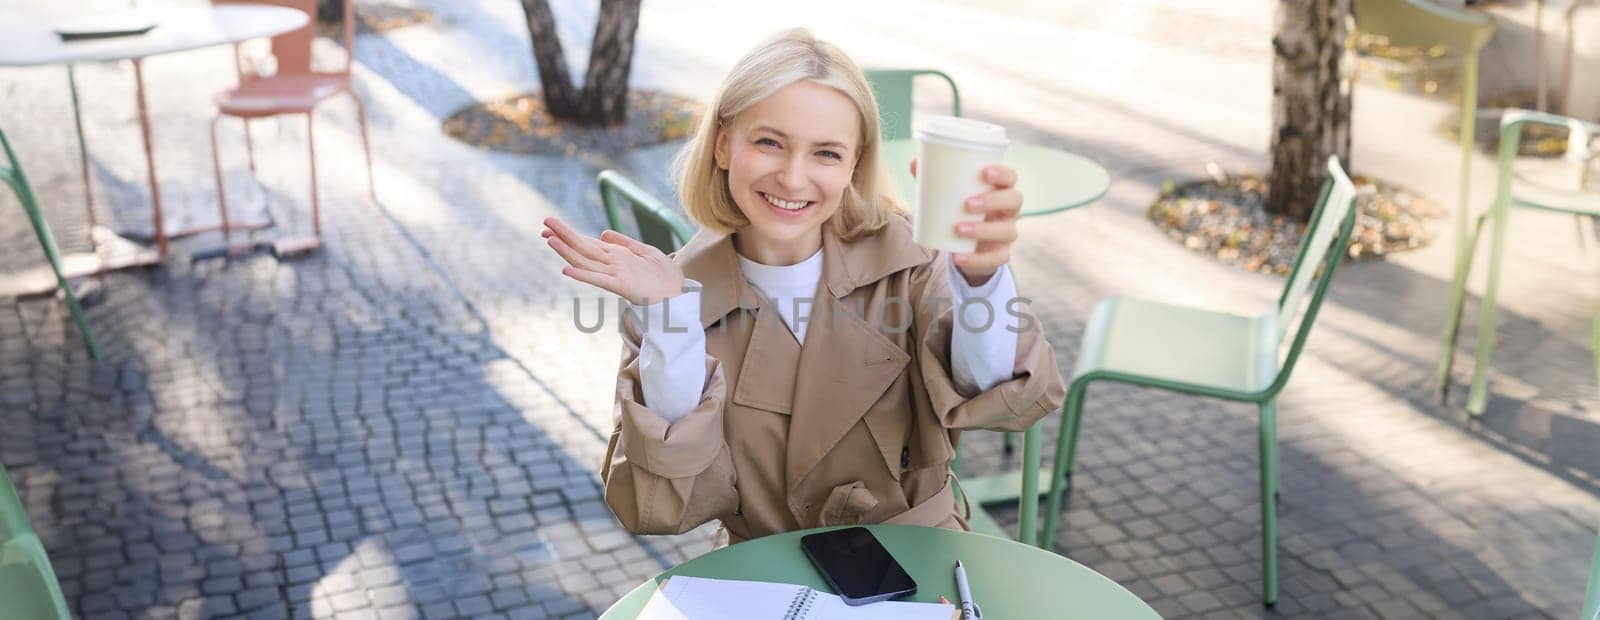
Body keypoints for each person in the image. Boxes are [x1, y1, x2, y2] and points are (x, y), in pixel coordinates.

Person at [541, 27, 1065, 544]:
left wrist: (981, 279)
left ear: (854, 166)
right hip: (770, 578)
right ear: (723, 145)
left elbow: (999, 395)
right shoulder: (671, 298)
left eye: (826, 153)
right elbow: (663, 505)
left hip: (917, 566)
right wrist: (670, 321)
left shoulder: (913, 262)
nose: (794, 178)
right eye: (770, 142)